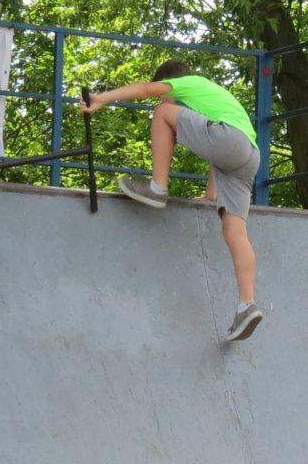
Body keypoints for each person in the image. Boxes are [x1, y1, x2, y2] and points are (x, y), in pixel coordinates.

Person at [82, 61, 266, 343]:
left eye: (164, 92)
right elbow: (222, 150)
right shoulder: (216, 100)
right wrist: (210, 196)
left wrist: (101, 98)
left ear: (171, 85)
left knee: (162, 114)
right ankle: (246, 305)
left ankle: (157, 188)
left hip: (230, 141)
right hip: (248, 156)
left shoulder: (187, 82)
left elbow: (145, 90)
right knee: (234, 232)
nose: (163, 96)